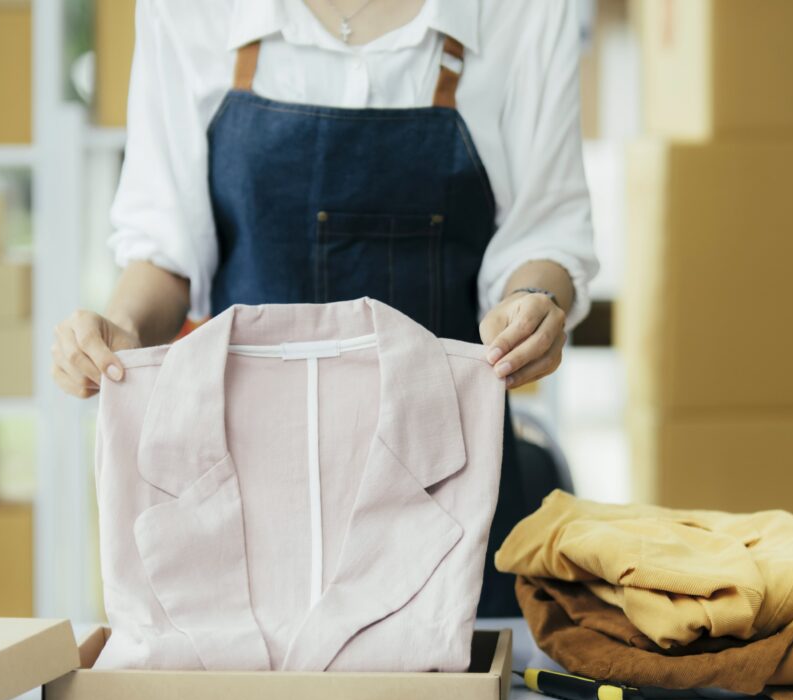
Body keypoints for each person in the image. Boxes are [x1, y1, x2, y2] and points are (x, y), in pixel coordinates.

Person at [52, 0, 597, 615]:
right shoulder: (187, 12)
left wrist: (534, 301)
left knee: (448, 687)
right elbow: (166, 252)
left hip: (443, 479)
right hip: (239, 486)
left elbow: (545, 233)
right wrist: (120, 327)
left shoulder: (522, 13)